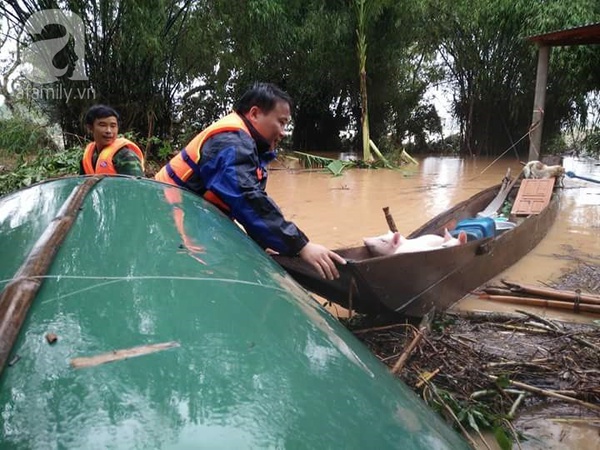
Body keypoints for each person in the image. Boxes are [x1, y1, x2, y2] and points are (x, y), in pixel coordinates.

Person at [155, 82, 345, 280]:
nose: (282, 132)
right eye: (281, 122)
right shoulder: (231, 141)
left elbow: (252, 203)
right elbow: (247, 198)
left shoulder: (246, 144)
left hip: (184, 213)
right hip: (166, 220)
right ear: (254, 114)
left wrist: (266, 243)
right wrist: (301, 245)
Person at [80, 105, 145, 176]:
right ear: (90, 128)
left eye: (113, 126)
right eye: (103, 125)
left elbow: (136, 185)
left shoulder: (125, 156)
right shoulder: (88, 156)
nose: (108, 131)